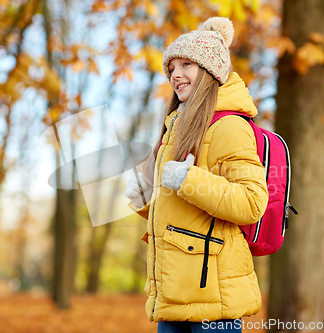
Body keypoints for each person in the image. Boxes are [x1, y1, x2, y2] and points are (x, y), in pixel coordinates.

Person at [125, 17, 269, 333]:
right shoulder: (174, 128)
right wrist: (145, 201)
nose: (176, 74)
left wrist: (189, 180)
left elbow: (251, 202)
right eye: (172, 67)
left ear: (209, 71)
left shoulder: (230, 127)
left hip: (213, 300)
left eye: (186, 64)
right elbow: (183, 213)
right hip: (173, 295)